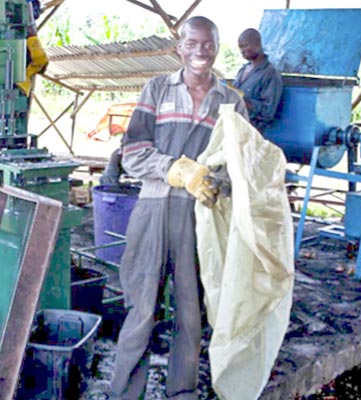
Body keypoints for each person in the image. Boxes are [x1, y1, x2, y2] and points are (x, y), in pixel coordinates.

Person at [110, 16, 247, 400]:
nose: (201, 51)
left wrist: (216, 182)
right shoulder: (156, 89)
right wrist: (173, 169)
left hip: (199, 218)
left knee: (191, 311)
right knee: (141, 308)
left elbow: (241, 164)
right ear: (179, 47)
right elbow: (132, 153)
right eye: (193, 42)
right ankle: (123, 393)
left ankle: (181, 391)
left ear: (217, 48)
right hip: (153, 207)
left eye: (209, 44)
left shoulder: (231, 102)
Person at [233, 28, 282, 132]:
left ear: (257, 44)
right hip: (236, 128)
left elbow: (268, 112)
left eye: (245, 46)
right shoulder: (242, 70)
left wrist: (244, 102)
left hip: (254, 134)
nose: (242, 51)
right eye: (240, 47)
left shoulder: (270, 73)